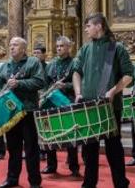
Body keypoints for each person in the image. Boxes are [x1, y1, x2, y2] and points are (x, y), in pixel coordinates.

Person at [72, 13, 132, 188]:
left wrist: (113, 91)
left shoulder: (117, 48)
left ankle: (121, 183)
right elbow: (76, 72)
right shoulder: (84, 49)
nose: (86, 29)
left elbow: (128, 75)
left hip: (110, 106)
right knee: (89, 150)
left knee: (113, 148)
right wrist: (78, 92)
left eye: (88, 25)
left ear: (99, 26)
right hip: (88, 105)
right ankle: (89, 184)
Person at [0, 37, 45, 188]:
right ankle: (12, 179)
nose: (12, 47)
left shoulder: (33, 63)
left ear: (23, 48)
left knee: (30, 148)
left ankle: (34, 181)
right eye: (10, 45)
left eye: (15, 45)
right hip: (10, 112)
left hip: (27, 110)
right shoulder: (5, 66)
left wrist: (19, 83)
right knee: (13, 147)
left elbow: (40, 82)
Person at [41, 36, 80, 176]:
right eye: (57, 46)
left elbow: (81, 83)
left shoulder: (75, 63)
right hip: (51, 102)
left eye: (62, 46)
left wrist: (65, 85)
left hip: (67, 101)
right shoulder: (51, 64)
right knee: (50, 133)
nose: (59, 48)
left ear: (69, 47)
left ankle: (74, 166)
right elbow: (44, 83)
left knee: (70, 133)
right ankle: (51, 165)